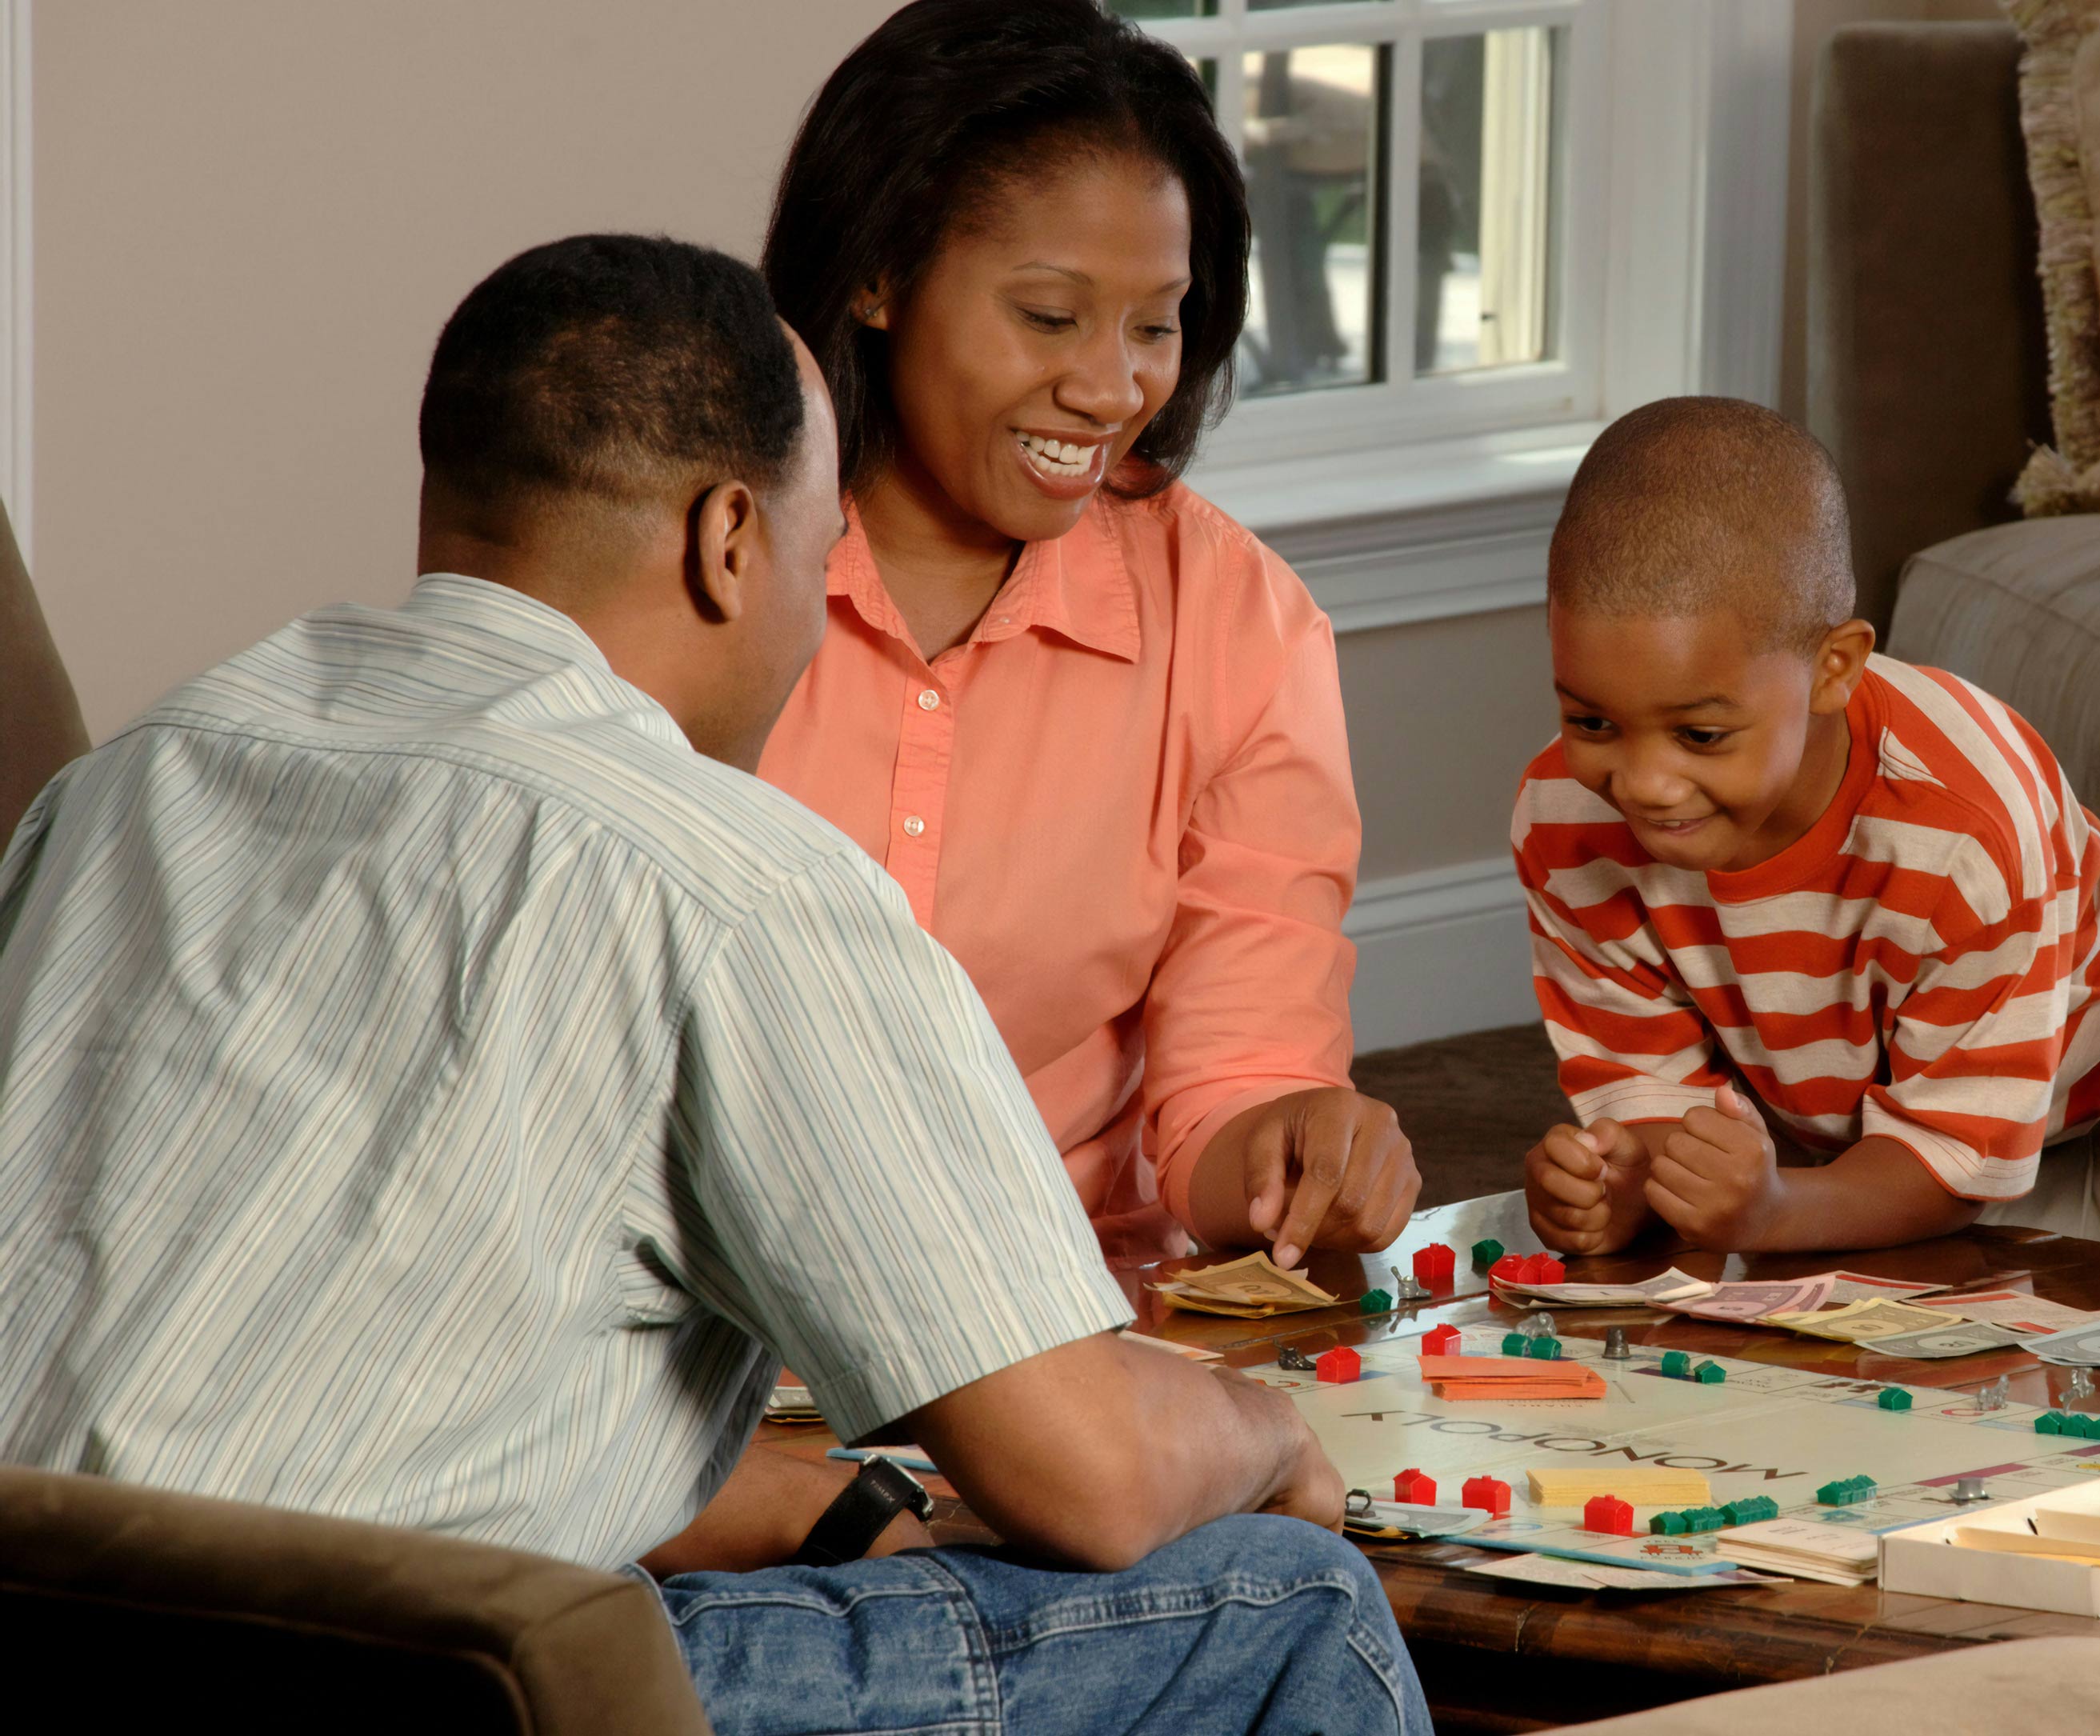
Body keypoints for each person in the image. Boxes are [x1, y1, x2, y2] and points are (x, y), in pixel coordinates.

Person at [0, 234, 1425, 1736]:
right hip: (406, 1690)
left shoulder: (130, 789)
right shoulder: (736, 881)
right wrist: (1264, 1430)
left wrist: (823, 1511)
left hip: (52, 1641)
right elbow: (1094, 1475)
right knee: (1283, 1604)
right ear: (729, 539)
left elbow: (344, 1392)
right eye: (820, 564)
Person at [757, 0, 1416, 1270]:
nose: (1113, 388)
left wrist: (1294, 1148)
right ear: (879, 273)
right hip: (719, 1318)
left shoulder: (1238, 620)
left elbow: (1234, 1081)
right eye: (1052, 317)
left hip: (1059, 1304)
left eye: (1155, 323)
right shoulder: (701, 564)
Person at [1513, 397, 2100, 1256]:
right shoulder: (1566, 816)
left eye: (1700, 735)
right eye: (1592, 723)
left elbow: (1950, 1160)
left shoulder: (1965, 830)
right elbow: (1654, 1106)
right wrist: (1626, 1181)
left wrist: (1777, 1212)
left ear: (1835, 669)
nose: (1639, 783)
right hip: (1847, 1112)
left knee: (2083, 1316)